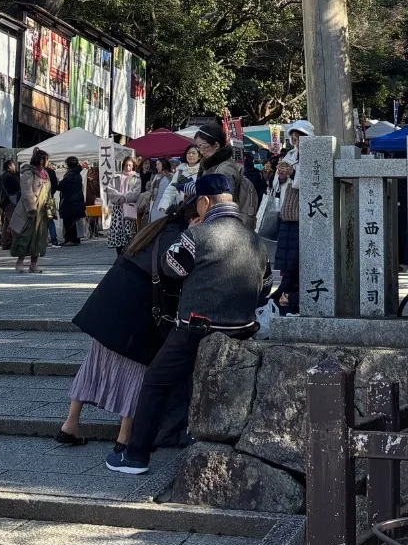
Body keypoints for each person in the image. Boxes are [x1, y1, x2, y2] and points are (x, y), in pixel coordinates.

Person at [108, 173, 269, 476]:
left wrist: (189, 235)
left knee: (155, 382)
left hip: (196, 330)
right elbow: (265, 288)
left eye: (197, 204)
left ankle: (136, 456)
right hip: (242, 331)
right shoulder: (254, 239)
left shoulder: (198, 235)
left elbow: (171, 268)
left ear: (205, 202)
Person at [55, 204, 188, 449]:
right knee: (137, 367)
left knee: (95, 362)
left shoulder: (156, 227)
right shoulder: (181, 237)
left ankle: (70, 424)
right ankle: (124, 437)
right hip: (137, 304)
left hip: (110, 298)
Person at [188, 113, 259, 226]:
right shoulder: (211, 165)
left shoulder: (225, 169)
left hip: (223, 226)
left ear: (216, 145)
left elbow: (222, 206)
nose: (200, 151)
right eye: (198, 147)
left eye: (202, 146)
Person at [10, 149, 53, 271]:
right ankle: (20, 262)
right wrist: (32, 208)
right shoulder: (28, 174)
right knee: (25, 236)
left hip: (42, 210)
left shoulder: (45, 174)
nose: (47, 162)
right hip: (29, 211)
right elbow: (27, 192)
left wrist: (50, 207)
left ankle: (34, 264)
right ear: (41, 160)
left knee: (39, 238)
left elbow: (49, 192)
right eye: (46, 159)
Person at [272, 161, 300, 310]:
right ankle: (281, 293)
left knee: (294, 260)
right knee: (282, 259)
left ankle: (292, 296)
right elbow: (275, 187)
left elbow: (309, 183)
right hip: (285, 215)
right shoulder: (289, 157)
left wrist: (293, 173)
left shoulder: (308, 157)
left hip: (299, 217)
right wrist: (281, 177)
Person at [109, 153, 143, 253]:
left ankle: (129, 252)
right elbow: (110, 189)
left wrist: (125, 197)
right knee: (117, 231)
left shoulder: (136, 177)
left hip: (129, 208)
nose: (128, 167)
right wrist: (119, 197)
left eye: (130, 165)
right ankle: (119, 253)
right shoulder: (116, 176)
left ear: (133, 166)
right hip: (118, 208)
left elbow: (136, 192)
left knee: (129, 232)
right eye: (126, 165)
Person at [57, 156, 87, 245]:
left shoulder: (70, 175)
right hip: (76, 200)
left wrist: (57, 182)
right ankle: (73, 239)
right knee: (73, 221)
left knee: (69, 221)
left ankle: (71, 240)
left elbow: (61, 186)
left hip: (70, 201)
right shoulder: (77, 173)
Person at [0, 160, 22, 246]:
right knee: (13, 221)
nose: (14, 167)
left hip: (5, 201)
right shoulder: (10, 176)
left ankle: (5, 240)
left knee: (7, 221)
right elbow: (17, 187)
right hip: (10, 201)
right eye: (13, 165)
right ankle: (15, 241)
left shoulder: (2, 176)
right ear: (9, 166)